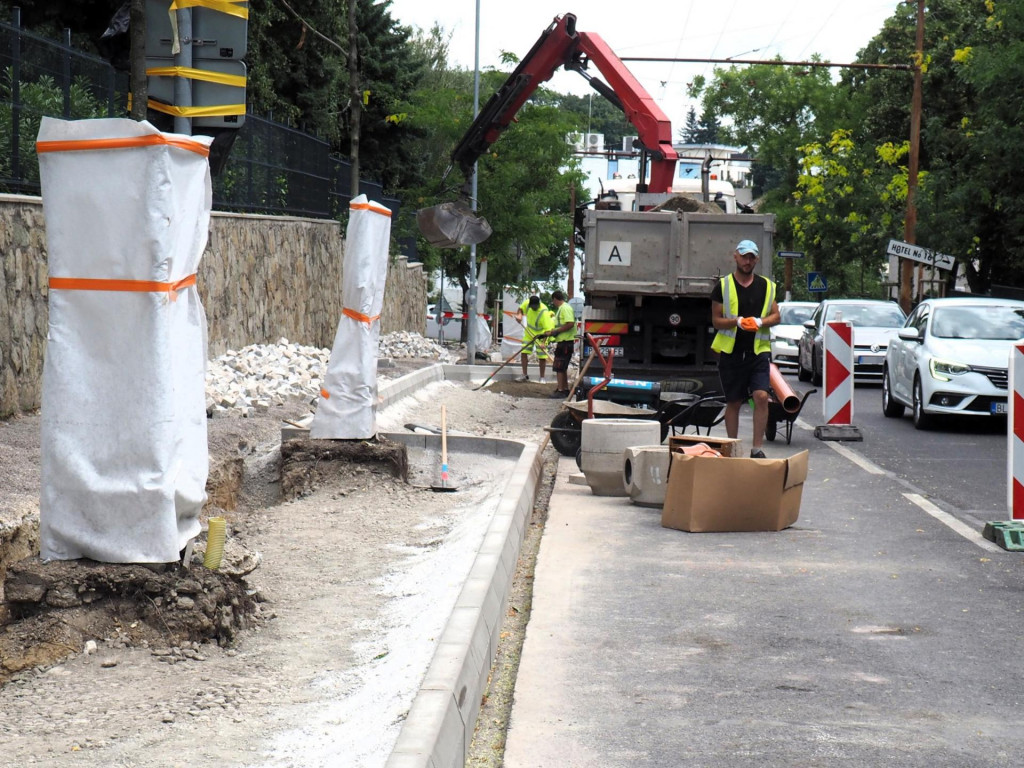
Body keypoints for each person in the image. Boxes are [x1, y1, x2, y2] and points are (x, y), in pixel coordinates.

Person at [709, 239, 780, 458]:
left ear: (756, 259)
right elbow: (716, 321)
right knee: (734, 401)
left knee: (760, 396)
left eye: (751, 257)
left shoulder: (766, 286)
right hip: (731, 352)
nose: (747, 261)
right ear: (736, 257)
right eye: (744, 256)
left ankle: (757, 449)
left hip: (757, 352)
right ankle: (731, 447)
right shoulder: (723, 286)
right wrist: (737, 322)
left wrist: (760, 322)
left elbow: (776, 315)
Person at [541, 290, 577, 398]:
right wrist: (553, 332)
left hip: (565, 341)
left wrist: (557, 331)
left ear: (555, 299)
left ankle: (561, 390)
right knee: (562, 366)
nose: (554, 303)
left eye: (553, 301)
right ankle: (564, 389)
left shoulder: (565, 308)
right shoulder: (562, 309)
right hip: (563, 341)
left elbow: (570, 324)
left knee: (559, 366)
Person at [513, 295, 552, 383]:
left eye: (535, 307)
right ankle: (524, 375)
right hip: (529, 332)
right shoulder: (527, 303)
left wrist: (543, 343)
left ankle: (542, 377)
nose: (533, 308)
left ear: (538, 304)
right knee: (524, 352)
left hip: (541, 335)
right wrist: (519, 315)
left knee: (542, 356)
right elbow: (521, 309)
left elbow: (548, 331)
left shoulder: (544, 312)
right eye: (532, 306)